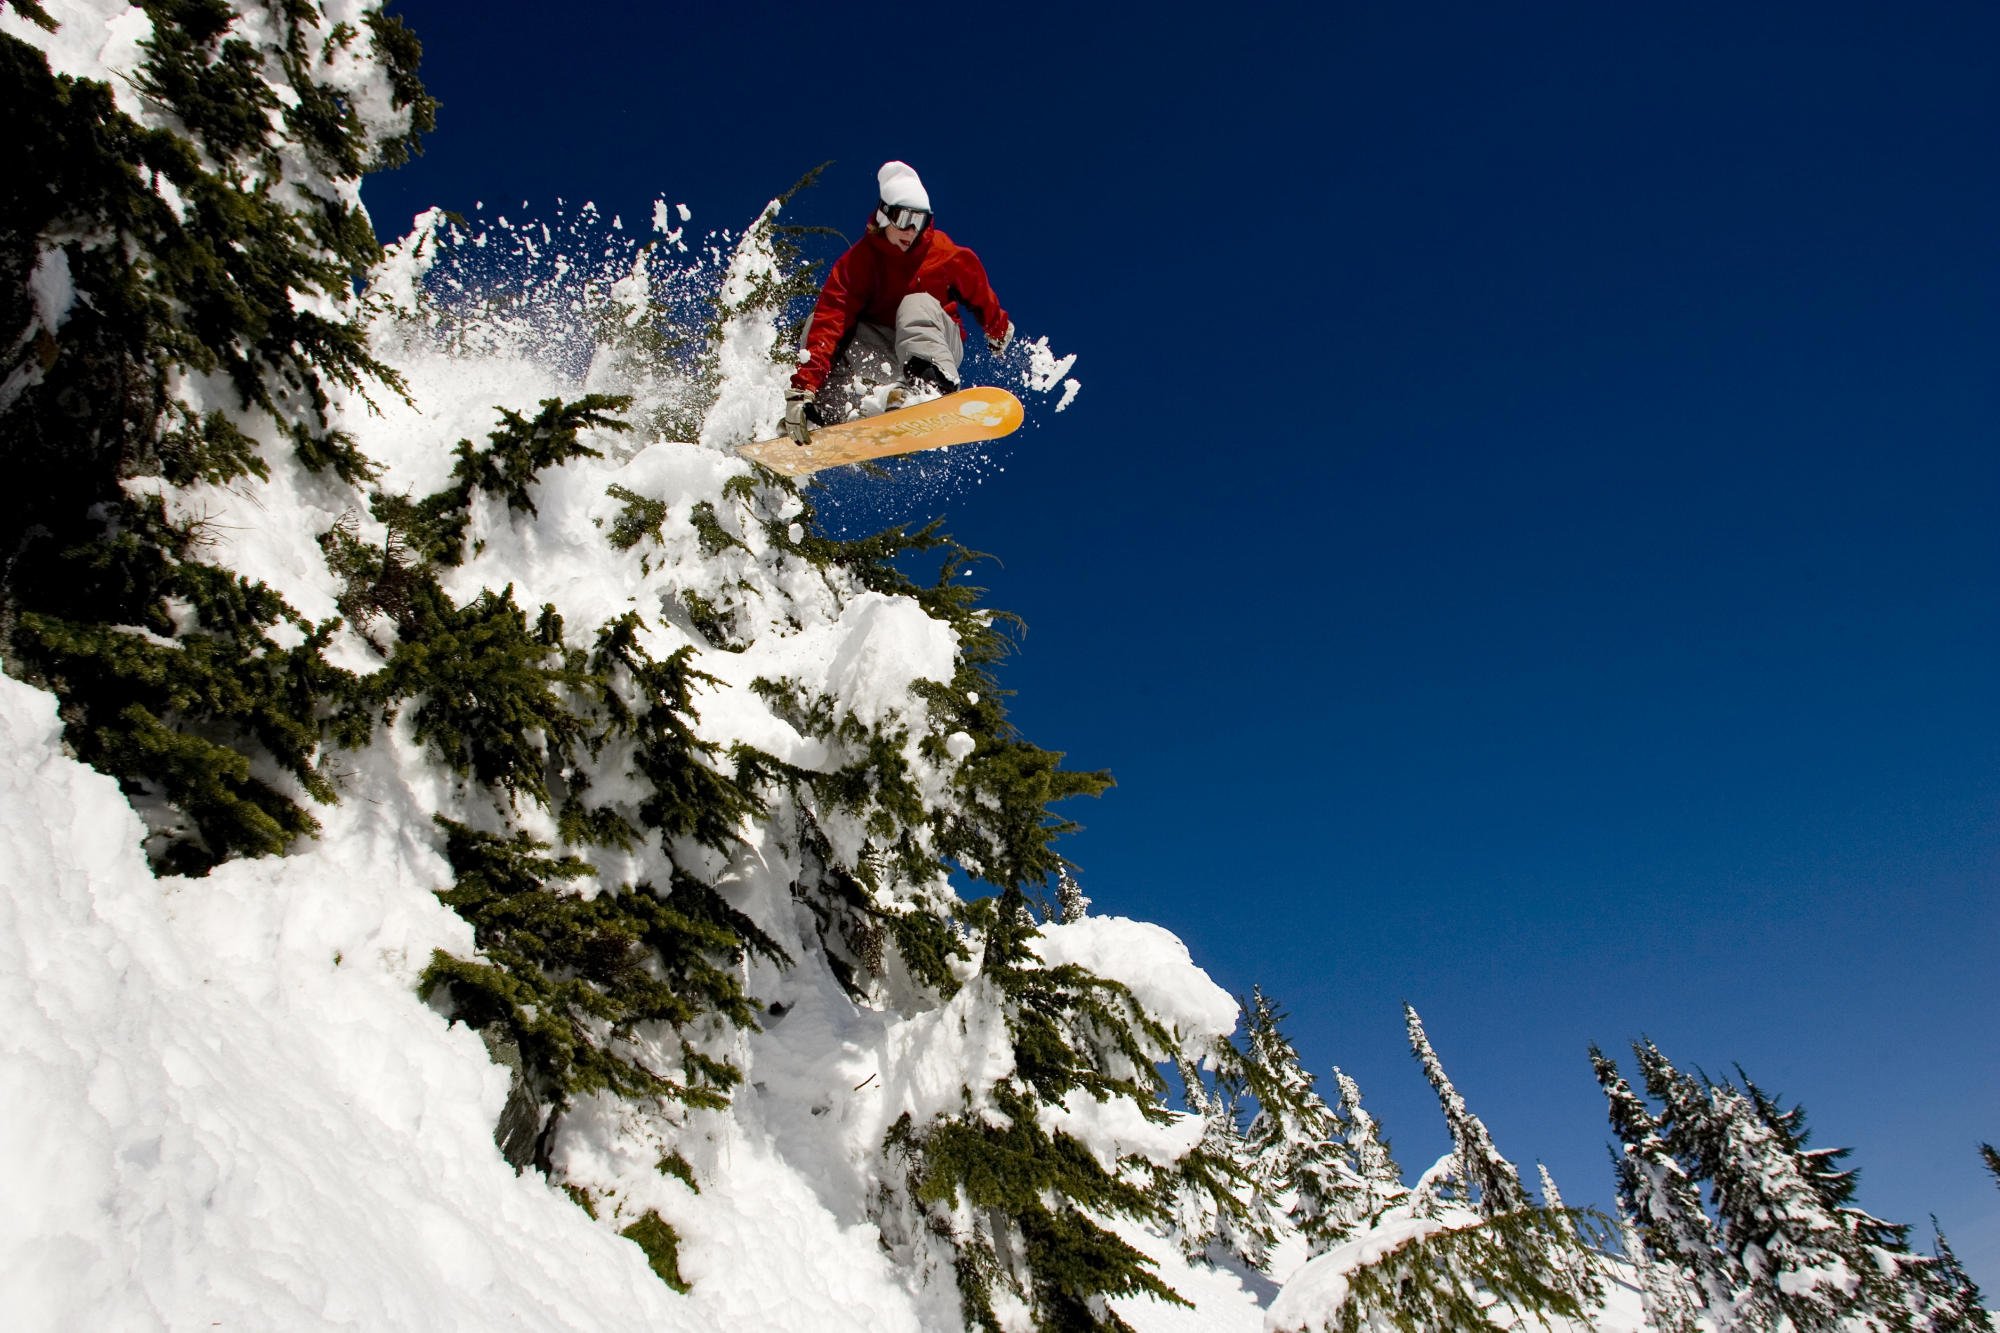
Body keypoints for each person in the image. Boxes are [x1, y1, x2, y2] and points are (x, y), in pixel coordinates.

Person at [782, 161, 1013, 444]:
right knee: (820, 323)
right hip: (887, 350)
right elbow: (831, 320)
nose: (911, 231)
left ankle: (929, 387)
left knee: (913, 304)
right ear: (884, 215)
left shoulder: (943, 253)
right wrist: (803, 389)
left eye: (920, 221)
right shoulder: (857, 264)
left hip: (936, 343)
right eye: (905, 219)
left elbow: (979, 292)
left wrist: (998, 329)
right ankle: (826, 410)